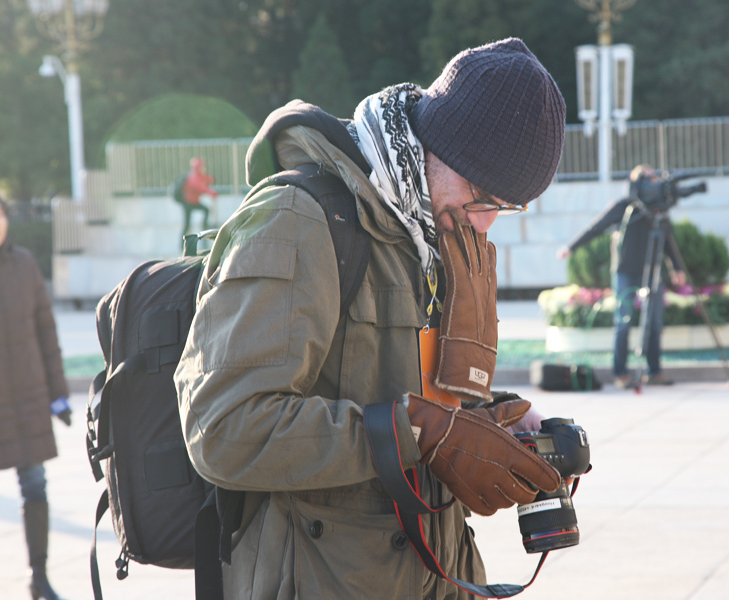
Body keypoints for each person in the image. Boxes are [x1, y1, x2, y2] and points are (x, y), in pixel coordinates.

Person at [175, 38, 567, 599]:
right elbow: (225, 429)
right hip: (321, 578)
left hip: (435, 571)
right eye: (482, 195)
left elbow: (410, 392)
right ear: (433, 144)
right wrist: (417, 433)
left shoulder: (431, 230)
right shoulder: (298, 220)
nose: (485, 225)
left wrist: (495, 425)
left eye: (506, 207)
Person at [0, 194, 72, 600]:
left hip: (25, 400)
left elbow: (47, 334)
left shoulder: (24, 265)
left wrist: (59, 395)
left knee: (35, 488)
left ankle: (39, 577)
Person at [557, 165, 686, 389]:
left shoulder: (659, 210)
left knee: (654, 323)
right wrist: (571, 247)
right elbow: (596, 227)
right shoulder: (624, 207)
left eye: (654, 179)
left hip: (652, 272)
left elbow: (668, 240)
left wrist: (677, 268)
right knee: (623, 323)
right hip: (625, 272)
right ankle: (621, 374)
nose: (652, 183)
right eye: (647, 179)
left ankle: (654, 372)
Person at [177, 156, 218, 236]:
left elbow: (205, 179)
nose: (204, 168)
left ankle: (205, 226)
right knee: (187, 224)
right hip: (188, 203)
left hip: (194, 202)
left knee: (206, 210)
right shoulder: (193, 177)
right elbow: (201, 187)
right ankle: (182, 243)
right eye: (202, 166)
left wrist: (211, 179)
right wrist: (211, 193)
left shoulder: (199, 175)